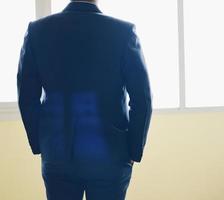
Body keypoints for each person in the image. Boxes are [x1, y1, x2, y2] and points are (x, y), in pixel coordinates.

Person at [17, 0, 153, 199]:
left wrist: (40, 144)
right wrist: (133, 151)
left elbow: (27, 96)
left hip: (57, 154)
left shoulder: (38, 31)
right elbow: (142, 98)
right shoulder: (123, 32)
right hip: (111, 157)